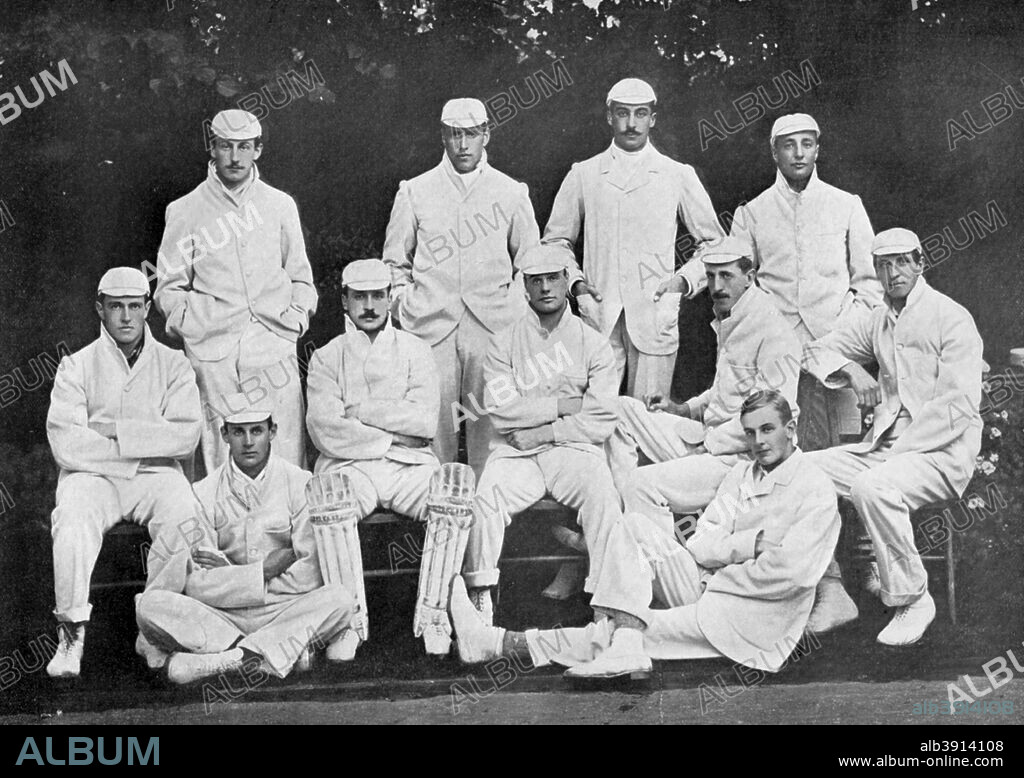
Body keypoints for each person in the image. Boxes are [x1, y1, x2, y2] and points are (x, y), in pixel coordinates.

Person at [451, 390, 840, 679]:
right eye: (751, 432)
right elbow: (702, 541)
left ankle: (497, 643)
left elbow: (793, 574)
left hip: (748, 618)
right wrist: (747, 545)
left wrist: (724, 564)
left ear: (791, 430)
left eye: (767, 430)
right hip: (710, 584)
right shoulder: (741, 474)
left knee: (624, 630)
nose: (757, 442)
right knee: (633, 525)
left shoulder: (815, 489)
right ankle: (625, 642)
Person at [671, 113, 883, 631]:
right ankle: (811, 587)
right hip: (776, 360)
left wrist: (837, 348)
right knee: (787, 469)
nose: (799, 154)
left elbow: (869, 286)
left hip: (835, 357)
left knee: (839, 464)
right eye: (788, 146)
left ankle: (863, 563)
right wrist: (680, 283)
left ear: (818, 148)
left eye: (808, 143)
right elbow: (724, 264)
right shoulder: (753, 212)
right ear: (774, 153)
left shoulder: (846, 205)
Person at [802, 228, 984, 646]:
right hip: (886, 450)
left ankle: (914, 597)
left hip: (941, 453)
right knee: (803, 470)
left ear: (921, 263)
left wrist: (899, 452)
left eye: (902, 261)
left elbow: (956, 408)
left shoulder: (950, 317)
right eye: (884, 265)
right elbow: (814, 351)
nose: (893, 272)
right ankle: (832, 589)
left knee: (872, 484)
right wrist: (851, 369)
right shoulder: (878, 320)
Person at [45, 267, 202, 678]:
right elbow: (66, 444)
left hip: (155, 478)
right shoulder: (75, 365)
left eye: (135, 306)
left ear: (148, 308)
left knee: (184, 509)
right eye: (116, 307)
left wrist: (115, 432)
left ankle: (155, 630)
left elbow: (185, 437)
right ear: (100, 308)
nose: (127, 317)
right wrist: (143, 446)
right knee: (72, 517)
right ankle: (71, 635)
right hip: (92, 478)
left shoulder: (174, 364)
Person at [135, 396, 354, 684]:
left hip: (282, 610)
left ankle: (226, 658)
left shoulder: (299, 483)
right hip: (222, 615)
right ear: (224, 435)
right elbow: (198, 585)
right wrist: (263, 571)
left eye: (257, 431)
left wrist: (230, 575)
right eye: (238, 432)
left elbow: (309, 575)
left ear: (272, 431)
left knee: (341, 600)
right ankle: (269, 654)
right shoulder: (203, 493)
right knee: (151, 605)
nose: (248, 441)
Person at [461, 244, 622, 625]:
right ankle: (480, 596)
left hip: (574, 451)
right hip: (516, 454)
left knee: (604, 498)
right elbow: (501, 410)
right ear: (525, 287)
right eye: (536, 281)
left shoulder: (593, 342)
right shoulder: (503, 342)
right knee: (485, 502)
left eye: (553, 278)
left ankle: (607, 603)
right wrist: (563, 405)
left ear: (568, 281)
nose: (546, 288)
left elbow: (601, 417)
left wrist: (544, 431)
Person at [383, 98, 540, 475]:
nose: (464, 145)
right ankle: (435, 520)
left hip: (492, 328)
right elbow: (393, 263)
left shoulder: (510, 191)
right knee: (431, 431)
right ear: (443, 136)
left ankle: (488, 518)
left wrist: (515, 309)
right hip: (430, 326)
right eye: (455, 135)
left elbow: (531, 262)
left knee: (490, 430)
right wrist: (406, 303)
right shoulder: (415, 191)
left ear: (487, 134)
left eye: (472, 134)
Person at [154, 109, 317, 471]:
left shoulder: (279, 205)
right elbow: (168, 287)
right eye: (226, 146)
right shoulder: (186, 209)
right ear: (212, 148)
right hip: (213, 350)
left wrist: (294, 321)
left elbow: (301, 277)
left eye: (244, 147)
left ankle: (285, 527)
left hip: (272, 344)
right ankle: (220, 528)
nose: (235, 157)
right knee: (217, 452)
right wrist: (194, 328)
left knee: (285, 451)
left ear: (258, 150)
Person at [544, 77, 724, 399]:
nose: (631, 124)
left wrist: (683, 282)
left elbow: (714, 243)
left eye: (640, 114)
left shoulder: (676, 174)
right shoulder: (584, 173)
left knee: (650, 420)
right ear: (609, 116)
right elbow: (555, 242)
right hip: (599, 315)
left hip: (655, 314)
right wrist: (576, 284)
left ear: (652, 119)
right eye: (623, 113)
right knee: (595, 417)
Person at [607, 236, 801, 527]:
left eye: (726, 275)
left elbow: (767, 419)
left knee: (640, 483)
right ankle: (616, 523)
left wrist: (709, 444)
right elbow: (725, 391)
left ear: (749, 277)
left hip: (741, 460)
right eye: (710, 276)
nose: (717, 287)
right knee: (619, 410)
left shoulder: (773, 331)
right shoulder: (733, 315)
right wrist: (683, 409)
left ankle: (656, 564)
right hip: (708, 438)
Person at [305, 259, 445, 656]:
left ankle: (436, 617)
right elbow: (325, 429)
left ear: (389, 298)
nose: (369, 305)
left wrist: (362, 411)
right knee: (329, 499)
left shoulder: (416, 350)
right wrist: (395, 438)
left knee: (453, 496)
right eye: (359, 296)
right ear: (345, 301)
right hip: (352, 469)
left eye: (377, 296)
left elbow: (424, 420)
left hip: (409, 468)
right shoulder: (326, 357)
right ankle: (345, 624)